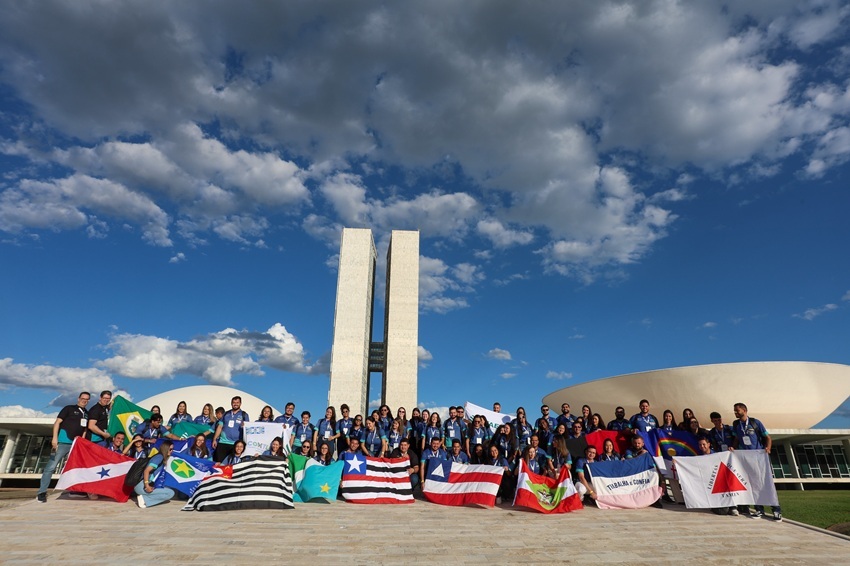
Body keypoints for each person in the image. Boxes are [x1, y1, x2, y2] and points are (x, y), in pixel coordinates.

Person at [731, 402, 781, 521]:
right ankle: (759, 509)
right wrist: (733, 447)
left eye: (737, 410)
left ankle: (776, 510)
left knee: (765, 482)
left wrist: (768, 448)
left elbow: (767, 437)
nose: (735, 413)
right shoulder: (736, 424)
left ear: (744, 410)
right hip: (746, 457)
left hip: (758, 456)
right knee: (752, 484)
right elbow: (737, 438)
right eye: (734, 411)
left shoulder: (755, 422)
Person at [697, 437, 738, 516]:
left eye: (704, 444)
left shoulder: (717, 455)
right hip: (710, 485)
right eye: (700, 445)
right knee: (722, 512)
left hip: (720, 483)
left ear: (708, 445)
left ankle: (732, 507)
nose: (702, 446)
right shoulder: (699, 457)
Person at [134, 440, 176, 509]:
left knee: (166, 490)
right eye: (170, 449)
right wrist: (147, 486)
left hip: (144, 484)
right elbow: (146, 471)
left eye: (172, 449)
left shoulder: (161, 458)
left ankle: (144, 498)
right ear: (166, 449)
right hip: (141, 485)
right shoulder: (159, 457)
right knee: (170, 493)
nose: (172, 451)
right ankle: (145, 499)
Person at [213, 396, 249, 462]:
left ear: (240, 403)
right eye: (234, 402)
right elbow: (220, 427)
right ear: (231, 403)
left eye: (237, 402)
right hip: (223, 442)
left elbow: (247, 430)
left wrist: (244, 426)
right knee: (219, 463)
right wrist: (215, 439)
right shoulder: (226, 414)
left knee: (232, 464)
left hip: (236, 445)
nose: (235, 404)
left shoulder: (244, 415)